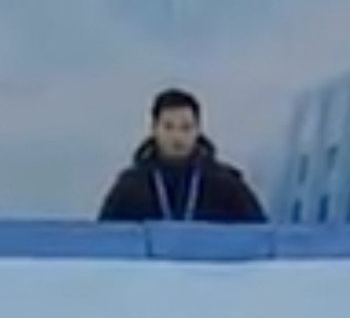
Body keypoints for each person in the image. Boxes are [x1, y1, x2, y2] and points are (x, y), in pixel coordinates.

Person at [96, 88, 268, 223]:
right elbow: (105, 241)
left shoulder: (227, 185)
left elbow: (260, 236)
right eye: (168, 127)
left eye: (185, 127)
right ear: (154, 129)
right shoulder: (129, 187)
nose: (177, 137)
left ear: (198, 130)